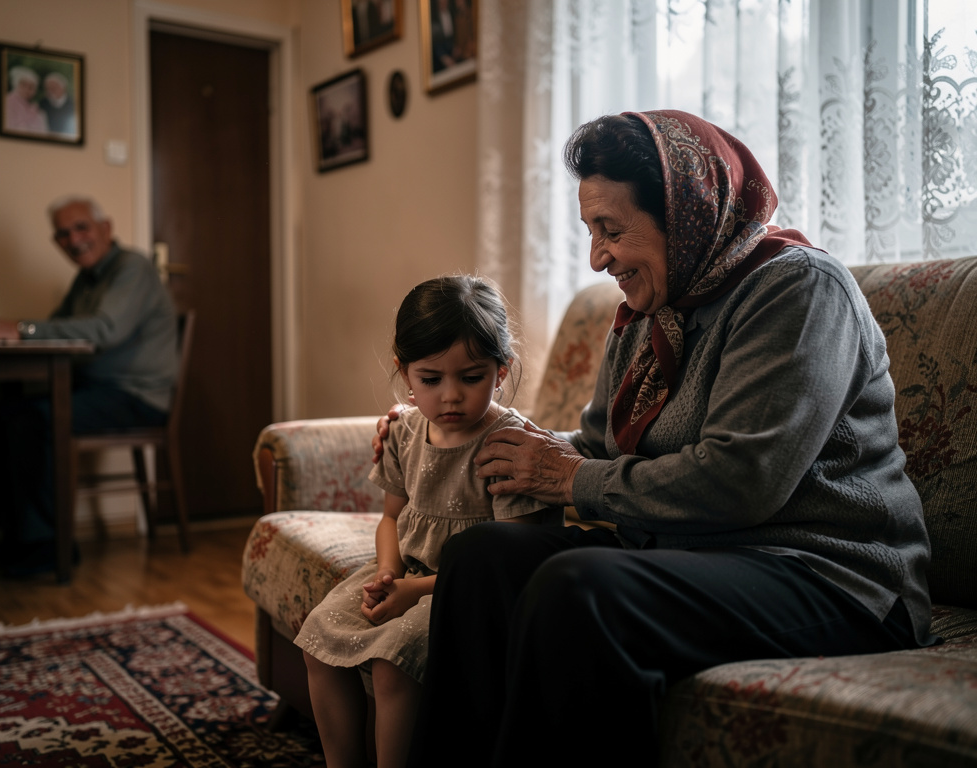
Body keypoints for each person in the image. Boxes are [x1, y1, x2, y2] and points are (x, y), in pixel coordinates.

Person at [370, 111, 934, 767]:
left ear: (685, 212)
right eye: (590, 231)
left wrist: (568, 476)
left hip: (827, 576)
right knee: (481, 556)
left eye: (611, 230)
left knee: (576, 588)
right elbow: (592, 451)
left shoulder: (798, 289)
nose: (597, 256)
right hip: (691, 552)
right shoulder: (648, 313)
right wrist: (459, 433)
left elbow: (741, 479)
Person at [296, 275, 561, 768]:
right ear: (405, 374)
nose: (451, 397)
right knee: (319, 638)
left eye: (472, 377)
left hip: (466, 591)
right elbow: (391, 517)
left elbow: (512, 558)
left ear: (501, 371)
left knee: (393, 663)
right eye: (431, 380)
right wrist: (387, 570)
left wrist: (411, 592)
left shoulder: (511, 446)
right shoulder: (404, 430)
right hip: (408, 575)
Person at [0, 195, 178, 576]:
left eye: (81, 228)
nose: (73, 240)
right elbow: (58, 331)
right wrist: (24, 333)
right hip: (95, 389)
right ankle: (15, 537)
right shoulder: (85, 279)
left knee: (33, 420)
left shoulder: (132, 267)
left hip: (137, 395)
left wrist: (22, 329)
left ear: (105, 228)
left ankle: (47, 547)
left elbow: (106, 330)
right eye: (62, 234)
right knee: (0, 412)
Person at [4, 66, 48, 134]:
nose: (27, 90)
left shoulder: (35, 108)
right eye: (24, 85)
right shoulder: (8, 101)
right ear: (16, 84)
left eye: (31, 87)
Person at [38, 72, 77, 137]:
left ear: (63, 88)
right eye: (47, 89)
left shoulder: (73, 105)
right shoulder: (42, 104)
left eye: (53, 88)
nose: (50, 91)